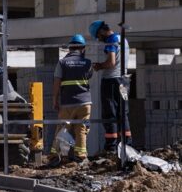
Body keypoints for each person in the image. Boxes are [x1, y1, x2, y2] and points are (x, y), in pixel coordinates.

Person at [48, 34, 93, 166]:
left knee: (62, 128)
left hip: (68, 102)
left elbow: (56, 83)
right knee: (82, 129)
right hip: (85, 103)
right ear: (83, 48)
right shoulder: (88, 63)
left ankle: (55, 156)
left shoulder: (62, 63)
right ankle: (81, 157)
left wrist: (55, 100)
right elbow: (89, 75)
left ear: (69, 48)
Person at [89, 20, 132, 152]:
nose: (99, 39)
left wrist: (99, 66)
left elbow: (111, 62)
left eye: (98, 36)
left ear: (102, 31)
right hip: (124, 81)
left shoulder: (111, 40)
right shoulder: (122, 38)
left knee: (110, 114)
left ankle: (111, 147)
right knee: (123, 113)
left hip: (111, 81)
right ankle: (127, 145)